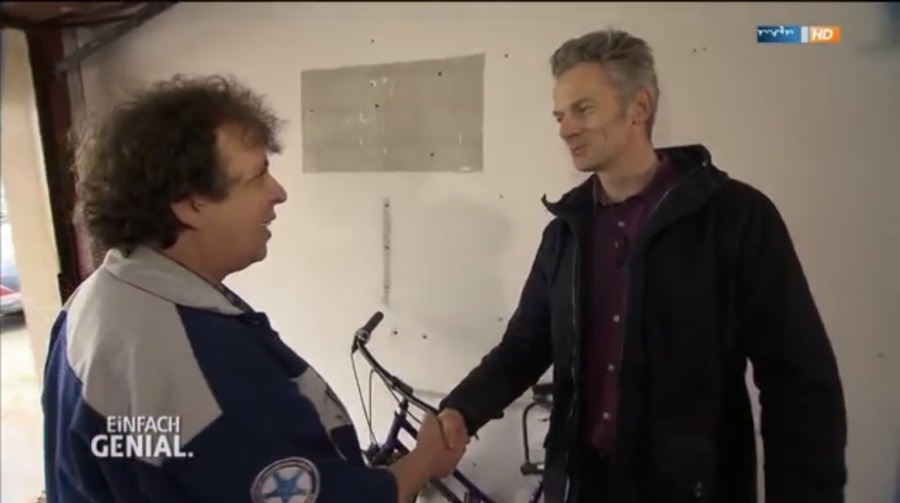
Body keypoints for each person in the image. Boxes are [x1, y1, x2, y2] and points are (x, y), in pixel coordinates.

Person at [436, 29, 847, 503]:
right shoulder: (566, 233)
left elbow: (798, 384)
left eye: (583, 109)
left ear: (639, 107)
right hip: (580, 486)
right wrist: (461, 410)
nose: (565, 129)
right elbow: (525, 345)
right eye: (560, 115)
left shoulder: (736, 218)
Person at [41, 75, 464, 503]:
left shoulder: (95, 301)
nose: (278, 193)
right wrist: (425, 460)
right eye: (258, 175)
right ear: (190, 204)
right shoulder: (202, 368)